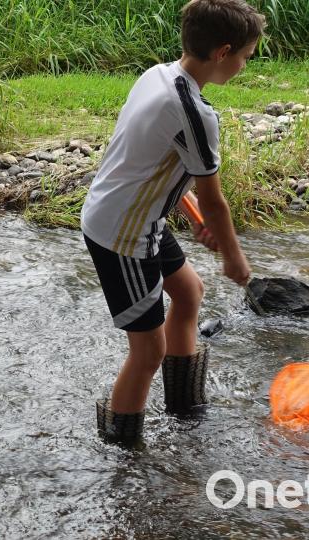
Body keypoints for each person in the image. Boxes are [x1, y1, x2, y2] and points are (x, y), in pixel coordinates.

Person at [80, 0, 264, 445]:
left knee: (188, 290)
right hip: (123, 234)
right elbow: (215, 200)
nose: (244, 65)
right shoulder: (196, 114)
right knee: (147, 351)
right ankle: (122, 447)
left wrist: (192, 215)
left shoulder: (158, 74)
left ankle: (184, 406)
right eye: (245, 56)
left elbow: (153, 163)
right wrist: (234, 258)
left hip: (133, 215)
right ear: (223, 52)